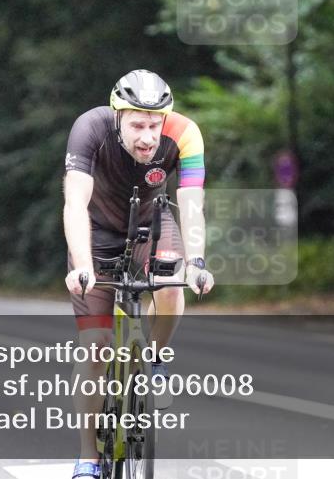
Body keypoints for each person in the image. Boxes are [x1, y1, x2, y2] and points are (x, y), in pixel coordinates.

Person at [63, 69, 214, 479]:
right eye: (137, 125)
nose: (147, 136)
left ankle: (156, 357)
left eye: (154, 125)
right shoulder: (90, 129)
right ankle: (87, 456)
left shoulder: (185, 133)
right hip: (97, 234)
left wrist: (197, 262)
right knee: (95, 346)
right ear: (118, 118)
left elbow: (192, 203)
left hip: (151, 224)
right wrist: (81, 266)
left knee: (171, 281)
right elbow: (75, 203)